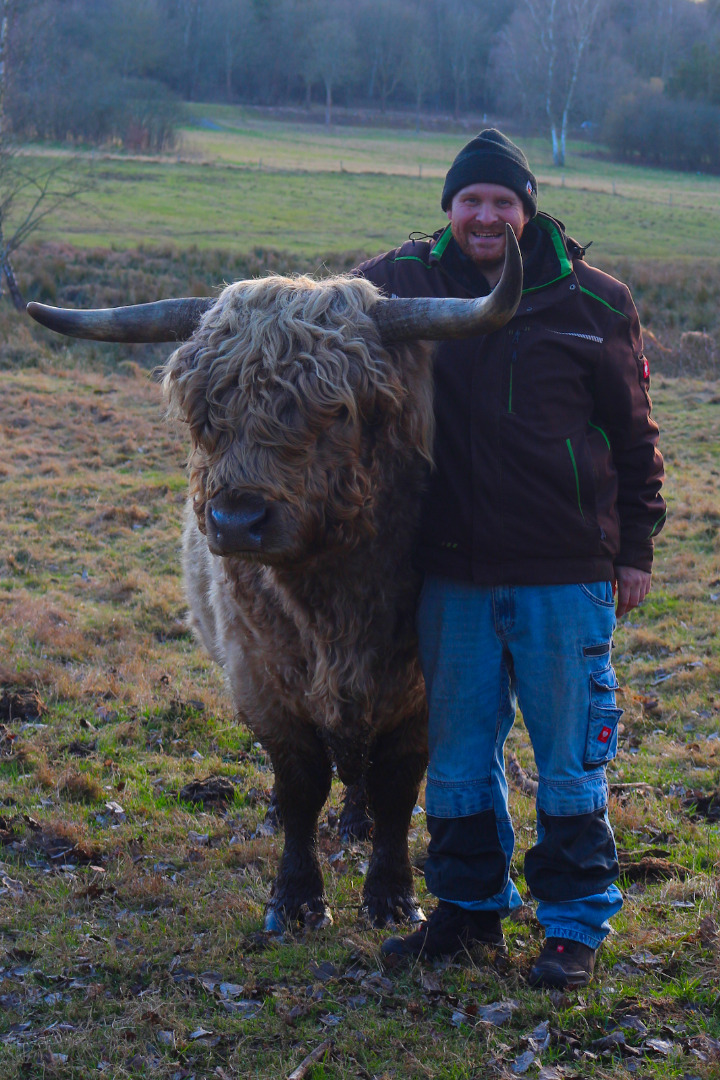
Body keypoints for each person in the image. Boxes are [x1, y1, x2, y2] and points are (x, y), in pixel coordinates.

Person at [356, 129, 666, 989]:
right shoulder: (405, 281)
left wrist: (633, 550)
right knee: (456, 757)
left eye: (501, 201)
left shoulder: (595, 302)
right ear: (449, 211)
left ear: (526, 210)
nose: (485, 215)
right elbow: (312, 305)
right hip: (451, 573)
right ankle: (468, 912)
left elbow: (636, 442)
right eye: (470, 202)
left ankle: (571, 924)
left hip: (564, 574)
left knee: (570, 758)